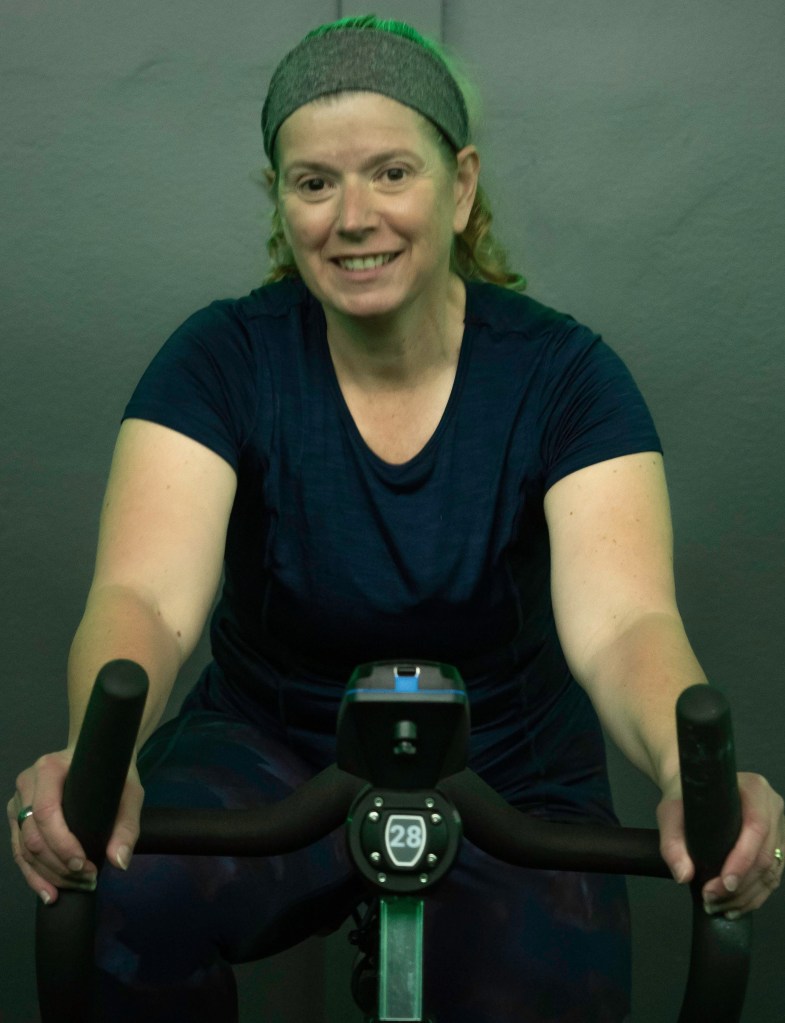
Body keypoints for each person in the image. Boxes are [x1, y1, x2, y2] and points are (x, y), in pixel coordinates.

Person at [8, 15, 784, 1023]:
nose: (352, 217)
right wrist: (95, 759)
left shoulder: (567, 377)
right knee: (122, 910)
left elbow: (624, 623)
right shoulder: (219, 359)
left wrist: (692, 778)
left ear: (459, 186)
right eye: (313, 182)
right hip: (273, 744)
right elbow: (145, 597)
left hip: (505, 768)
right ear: (280, 199)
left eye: (390, 173)